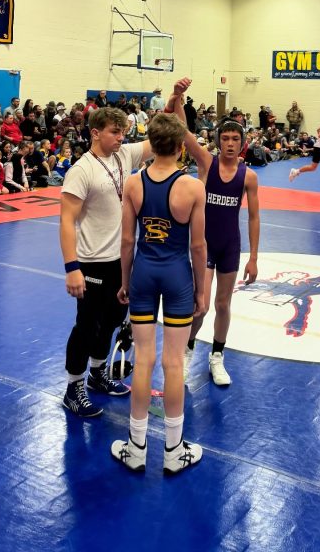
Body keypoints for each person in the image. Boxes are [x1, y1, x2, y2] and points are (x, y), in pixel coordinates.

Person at [111, 111, 206, 474]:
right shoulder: (192, 187)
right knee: (174, 363)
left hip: (144, 275)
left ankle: (136, 448)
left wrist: (125, 281)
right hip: (177, 276)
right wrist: (201, 290)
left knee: (144, 361)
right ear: (182, 147)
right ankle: (174, 450)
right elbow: (198, 247)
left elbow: (126, 240)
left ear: (151, 145)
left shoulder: (133, 183)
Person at [60, 107, 155, 418]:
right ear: (95, 133)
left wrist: (174, 103)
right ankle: (73, 388)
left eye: (123, 132)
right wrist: (72, 268)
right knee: (87, 325)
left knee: (113, 320)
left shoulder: (124, 155)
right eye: (115, 132)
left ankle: (97, 372)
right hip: (91, 262)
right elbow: (66, 221)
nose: (121, 137)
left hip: (121, 261)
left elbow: (163, 136)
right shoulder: (81, 170)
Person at [166, 79, 260, 386]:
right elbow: (184, 132)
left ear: (242, 143)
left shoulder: (249, 177)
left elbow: (254, 217)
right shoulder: (207, 163)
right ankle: (188, 349)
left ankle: (217, 356)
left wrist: (253, 258)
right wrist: (178, 99)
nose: (230, 143)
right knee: (201, 305)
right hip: (205, 245)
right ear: (219, 141)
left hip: (230, 246)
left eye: (235, 139)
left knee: (223, 305)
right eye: (226, 138)